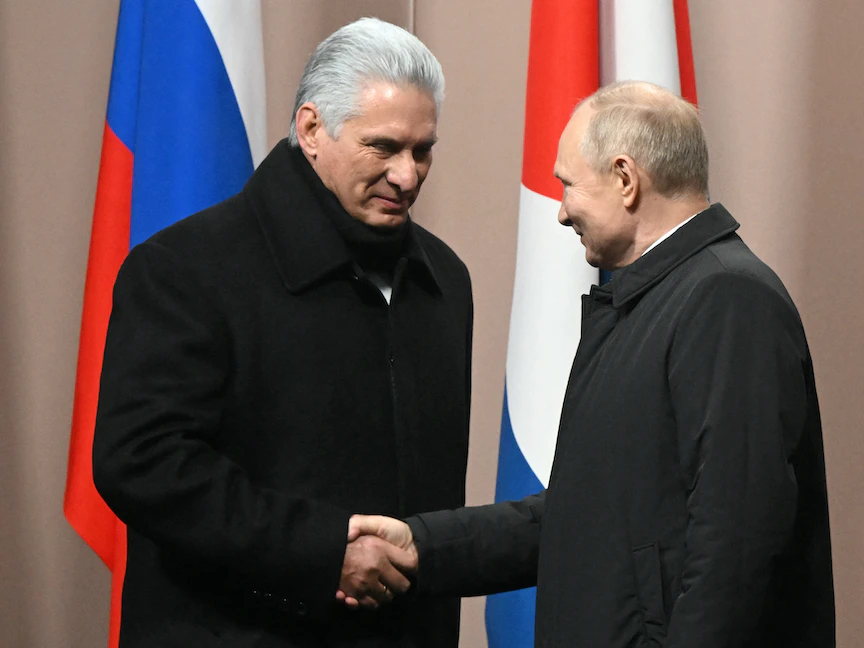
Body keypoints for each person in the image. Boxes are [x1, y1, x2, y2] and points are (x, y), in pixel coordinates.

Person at [347, 81, 836, 647]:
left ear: (626, 179)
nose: (560, 212)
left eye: (568, 185)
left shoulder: (727, 299)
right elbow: (583, 515)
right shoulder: (652, 303)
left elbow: (736, 542)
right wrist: (423, 546)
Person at [92, 17, 473, 648]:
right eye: (383, 147)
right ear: (312, 129)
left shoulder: (445, 281)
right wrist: (322, 553)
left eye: (422, 149)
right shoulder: (184, 268)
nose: (408, 176)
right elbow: (143, 464)